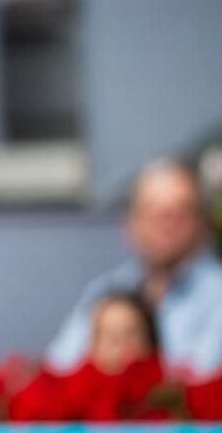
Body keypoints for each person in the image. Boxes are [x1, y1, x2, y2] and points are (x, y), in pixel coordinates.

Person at [46, 159, 222, 381]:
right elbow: (60, 367)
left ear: (202, 222)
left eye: (180, 213)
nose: (167, 225)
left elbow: (199, 384)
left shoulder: (217, 295)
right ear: (130, 222)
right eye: (154, 213)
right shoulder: (106, 291)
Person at [13, 293, 168, 421]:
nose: (118, 345)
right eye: (109, 336)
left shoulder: (171, 399)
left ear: (150, 342)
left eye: (129, 335)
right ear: (92, 345)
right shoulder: (68, 399)